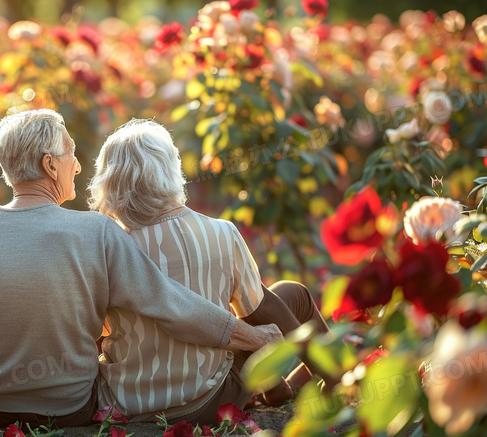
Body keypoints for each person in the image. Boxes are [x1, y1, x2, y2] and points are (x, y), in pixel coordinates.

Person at [0, 109, 283, 428]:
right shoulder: (97, 230)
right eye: (70, 153)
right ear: (50, 166)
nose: (76, 166)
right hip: (70, 408)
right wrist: (255, 338)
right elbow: (172, 305)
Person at [87, 119, 331, 424]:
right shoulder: (221, 233)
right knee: (293, 294)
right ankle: (335, 378)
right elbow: (258, 311)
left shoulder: (108, 250)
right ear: (171, 170)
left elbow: (93, 332)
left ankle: (278, 388)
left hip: (130, 402)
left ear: (109, 182)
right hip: (210, 399)